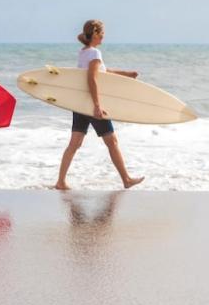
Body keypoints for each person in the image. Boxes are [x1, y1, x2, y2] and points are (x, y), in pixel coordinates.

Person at [55, 20, 145, 190]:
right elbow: (92, 79)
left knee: (74, 144)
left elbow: (102, 73)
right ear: (96, 33)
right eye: (102, 32)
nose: (104, 35)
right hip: (92, 105)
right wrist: (97, 105)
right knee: (112, 141)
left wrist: (126, 74)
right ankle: (126, 179)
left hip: (80, 104)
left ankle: (60, 181)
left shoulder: (84, 52)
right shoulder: (95, 53)